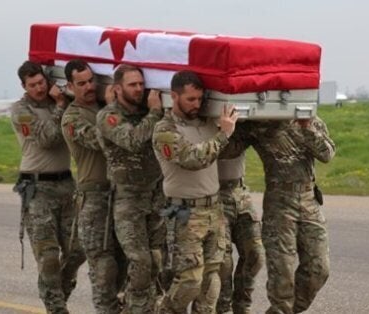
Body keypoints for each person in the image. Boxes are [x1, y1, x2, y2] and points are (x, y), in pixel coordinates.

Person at [152, 70, 239, 313]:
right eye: (190, 99)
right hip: (185, 214)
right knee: (190, 280)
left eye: (200, 99)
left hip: (213, 209)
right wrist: (224, 135)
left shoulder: (208, 123)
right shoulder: (164, 130)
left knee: (211, 282)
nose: (196, 105)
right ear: (174, 96)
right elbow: (192, 159)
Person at [10, 61, 86, 314]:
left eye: (42, 82)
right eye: (33, 85)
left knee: (78, 249)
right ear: (24, 86)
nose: (39, 88)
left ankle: (56, 296)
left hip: (66, 185)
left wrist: (67, 99)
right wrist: (61, 105)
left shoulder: (60, 101)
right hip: (37, 188)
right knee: (49, 256)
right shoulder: (21, 110)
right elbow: (47, 139)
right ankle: (56, 308)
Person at [246, 115, 335, 313]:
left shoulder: (312, 120)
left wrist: (307, 128)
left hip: (309, 200)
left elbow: (327, 154)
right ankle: (281, 309)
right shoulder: (261, 122)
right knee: (282, 275)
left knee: (318, 269)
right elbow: (231, 150)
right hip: (279, 203)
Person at [96, 64, 166, 313]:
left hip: (156, 196)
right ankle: (137, 308)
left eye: (141, 84)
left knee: (156, 260)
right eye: (132, 85)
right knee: (140, 260)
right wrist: (156, 112)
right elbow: (133, 140)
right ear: (117, 88)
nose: (139, 89)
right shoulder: (109, 116)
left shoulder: (146, 112)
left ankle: (137, 305)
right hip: (128, 200)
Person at [60, 59, 125, 313]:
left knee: (123, 261)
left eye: (91, 81)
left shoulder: (102, 107)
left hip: (120, 194)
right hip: (94, 197)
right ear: (69, 86)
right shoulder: (72, 118)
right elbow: (102, 139)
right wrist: (113, 107)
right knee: (103, 267)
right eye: (81, 83)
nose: (88, 87)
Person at [216, 150, 265, 314]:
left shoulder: (241, 128)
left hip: (240, 193)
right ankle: (222, 307)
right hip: (212, 195)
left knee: (256, 254)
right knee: (223, 261)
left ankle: (242, 306)